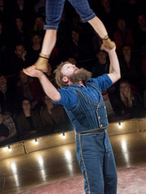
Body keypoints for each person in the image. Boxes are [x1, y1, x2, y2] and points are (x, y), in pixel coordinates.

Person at [23, 42, 121, 194]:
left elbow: (116, 74)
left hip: (104, 138)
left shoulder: (93, 83)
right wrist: (40, 76)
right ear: (64, 79)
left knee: (111, 181)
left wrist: (112, 51)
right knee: (96, 187)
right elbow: (54, 95)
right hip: (88, 143)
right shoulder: (70, 93)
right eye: (68, 67)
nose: (74, 66)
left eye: (73, 65)